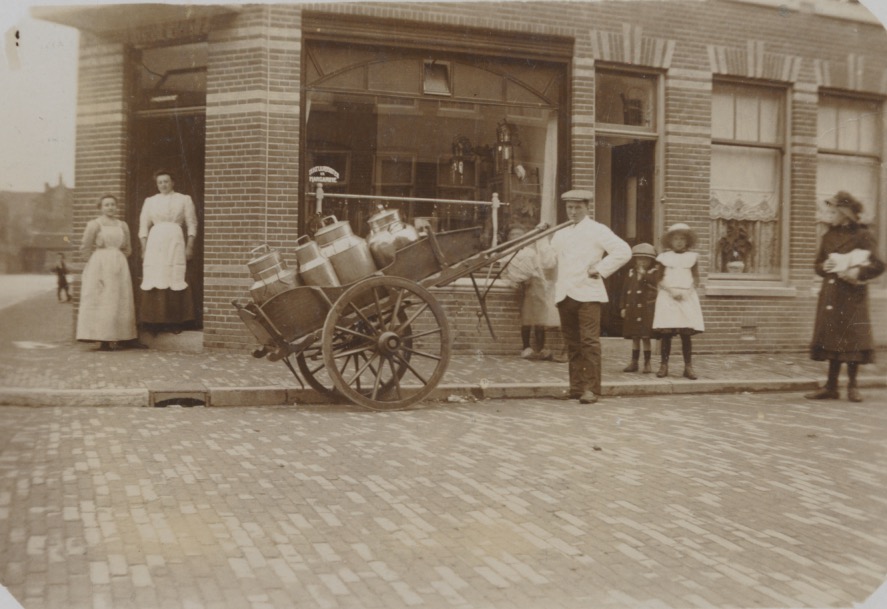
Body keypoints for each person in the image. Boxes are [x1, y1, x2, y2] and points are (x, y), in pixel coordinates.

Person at [538, 189, 632, 404]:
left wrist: (600, 268)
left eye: (578, 208)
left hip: (588, 294)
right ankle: (576, 388)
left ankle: (591, 389)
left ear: (587, 208)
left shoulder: (597, 230)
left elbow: (624, 251)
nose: (573, 212)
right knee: (572, 343)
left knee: (589, 342)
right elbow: (549, 263)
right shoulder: (561, 233)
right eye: (569, 207)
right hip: (565, 294)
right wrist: (542, 240)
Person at [806, 191, 884, 402]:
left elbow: (878, 264)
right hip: (832, 294)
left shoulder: (863, 235)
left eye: (833, 212)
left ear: (845, 214)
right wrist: (824, 266)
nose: (828, 216)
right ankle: (831, 387)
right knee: (833, 339)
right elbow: (818, 264)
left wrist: (857, 272)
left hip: (852, 294)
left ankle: (853, 386)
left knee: (851, 341)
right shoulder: (828, 236)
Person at [138, 169, 198, 334]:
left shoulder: (184, 199)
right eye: (160, 182)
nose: (163, 185)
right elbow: (143, 226)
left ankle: (174, 322)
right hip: (155, 242)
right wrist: (144, 248)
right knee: (156, 276)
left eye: (166, 181)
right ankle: (154, 322)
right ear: (156, 184)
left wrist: (190, 246)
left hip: (175, 240)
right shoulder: (150, 201)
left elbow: (192, 223)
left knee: (174, 276)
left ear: (173, 182)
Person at [76, 194, 138, 351]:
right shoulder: (94, 225)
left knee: (119, 299)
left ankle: (121, 337)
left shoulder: (123, 225)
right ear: (101, 208)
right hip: (100, 264)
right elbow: (85, 247)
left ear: (116, 207)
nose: (110, 207)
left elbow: (128, 248)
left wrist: (118, 259)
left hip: (118, 264)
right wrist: (94, 264)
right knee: (103, 299)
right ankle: (102, 339)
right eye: (106, 205)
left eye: (113, 204)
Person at [652, 223, 705, 379]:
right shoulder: (664, 258)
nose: (679, 242)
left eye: (682, 239)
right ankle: (664, 365)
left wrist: (687, 292)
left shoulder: (692, 257)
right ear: (670, 241)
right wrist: (671, 291)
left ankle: (688, 367)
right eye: (676, 239)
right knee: (666, 333)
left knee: (685, 334)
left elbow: (696, 278)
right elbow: (659, 279)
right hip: (668, 296)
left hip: (686, 297)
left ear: (687, 241)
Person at [502, 226, 560, 361]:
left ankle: (541, 349)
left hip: (535, 284)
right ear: (509, 238)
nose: (516, 237)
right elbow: (503, 274)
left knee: (539, 317)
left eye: (519, 234)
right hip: (521, 286)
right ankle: (526, 348)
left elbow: (538, 269)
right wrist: (510, 282)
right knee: (526, 318)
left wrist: (543, 284)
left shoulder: (531, 253)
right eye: (513, 234)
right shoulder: (506, 254)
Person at [620, 243, 659, 373]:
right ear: (635, 260)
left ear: (651, 260)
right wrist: (623, 307)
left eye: (646, 259)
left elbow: (653, 286)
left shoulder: (653, 273)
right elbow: (624, 290)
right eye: (639, 259)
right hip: (632, 307)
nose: (642, 261)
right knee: (635, 336)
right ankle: (634, 362)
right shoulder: (631, 272)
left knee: (645, 336)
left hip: (646, 309)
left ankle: (647, 363)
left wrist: (644, 275)